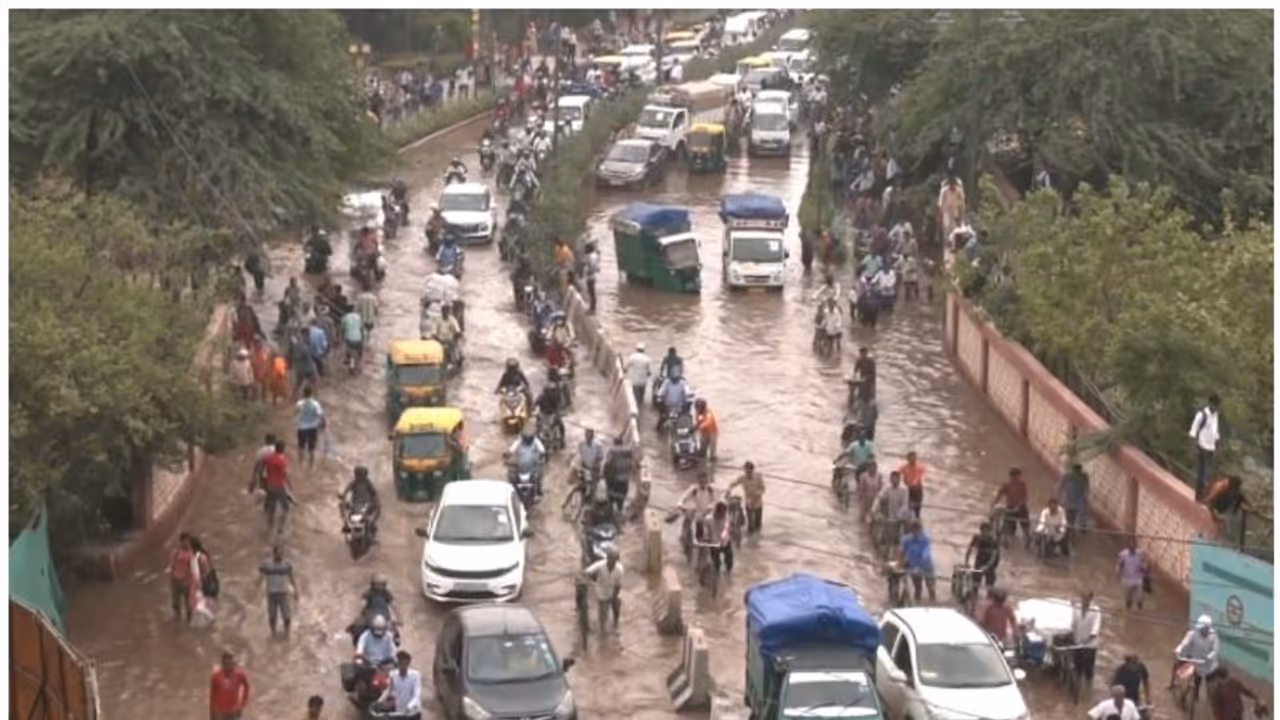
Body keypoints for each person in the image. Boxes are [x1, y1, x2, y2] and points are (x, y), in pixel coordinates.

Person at [1171, 615, 1220, 700]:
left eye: (1204, 628)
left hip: (1209, 665)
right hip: (1197, 663)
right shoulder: (1193, 633)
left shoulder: (1213, 636)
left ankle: (1211, 699)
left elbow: (1215, 650)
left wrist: (1208, 657)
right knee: (1195, 681)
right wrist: (1178, 649)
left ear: (1208, 628)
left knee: (1210, 685)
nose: (1201, 630)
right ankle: (1194, 696)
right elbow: (1185, 643)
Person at [257, 545, 299, 636]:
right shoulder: (267, 565)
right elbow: (260, 578)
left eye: (281, 553)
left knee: (286, 615)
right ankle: (273, 633)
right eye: (278, 553)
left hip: (283, 593)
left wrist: (295, 590)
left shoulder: (287, 565)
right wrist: (255, 589)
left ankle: (287, 633)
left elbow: (291, 578)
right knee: (272, 615)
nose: (280, 555)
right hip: (271, 594)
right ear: (274, 554)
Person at [583, 547, 624, 635]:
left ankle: (615, 625)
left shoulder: (619, 569)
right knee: (603, 613)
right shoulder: (600, 565)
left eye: (613, 559)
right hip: (602, 591)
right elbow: (587, 572)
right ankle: (602, 629)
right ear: (607, 558)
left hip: (613, 591)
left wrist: (614, 597)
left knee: (617, 606)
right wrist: (591, 581)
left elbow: (618, 585)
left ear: (616, 560)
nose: (611, 561)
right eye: (610, 558)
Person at [1189, 394, 1221, 499]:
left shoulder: (1216, 416)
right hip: (1202, 446)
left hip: (1211, 448)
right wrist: (1194, 447)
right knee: (1202, 472)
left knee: (1208, 474)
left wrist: (1217, 447)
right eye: (1214, 405)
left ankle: (1204, 495)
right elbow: (1193, 430)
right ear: (1210, 403)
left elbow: (1215, 432)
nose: (1215, 408)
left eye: (1217, 406)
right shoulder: (1202, 415)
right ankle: (1199, 496)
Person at [1070, 590, 1103, 692]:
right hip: (1077, 642)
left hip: (1090, 645)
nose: (1084, 600)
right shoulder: (1076, 608)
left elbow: (1095, 630)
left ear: (1090, 599)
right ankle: (1077, 688)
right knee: (1077, 667)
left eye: (1086, 598)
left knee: (1088, 669)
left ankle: (1088, 689)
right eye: (1083, 597)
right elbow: (1073, 624)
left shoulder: (1096, 611)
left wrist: (1085, 642)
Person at [257, 440, 292, 533]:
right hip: (279, 486)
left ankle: (269, 527)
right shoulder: (282, 460)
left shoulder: (268, 458)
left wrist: (262, 483)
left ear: (276, 448)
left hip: (269, 486)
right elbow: (286, 475)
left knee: (271, 508)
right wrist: (290, 486)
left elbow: (261, 469)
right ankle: (280, 528)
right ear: (283, 449)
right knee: (286, 508)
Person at [898, 521, 936, 602]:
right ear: (912, 531)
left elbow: (925, 554)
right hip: (913, 566)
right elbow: (902, 552)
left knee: (931, 587)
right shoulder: (906, 540)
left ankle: (933, 602)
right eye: (915, 531)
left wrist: (919, 567)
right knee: (918, 587)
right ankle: (917, 603)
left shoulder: (925, 539)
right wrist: (900, 564)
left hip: (926, 566)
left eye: (919, 531)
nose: (917, 533)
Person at [380, 650, 423, 720]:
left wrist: (410, 706)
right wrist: (381, 700)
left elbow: (416, 694)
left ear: (408, 663)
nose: (402, 666)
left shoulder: (415, 675)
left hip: (413, 712)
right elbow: (389, 689)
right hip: (399, 711)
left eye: (404, 663)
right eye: (400, 663)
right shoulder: (393, 674)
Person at [992, 467, 1031, 542]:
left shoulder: (1022, 484)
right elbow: (999, 494)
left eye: (1019, 476)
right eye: (1017, 477)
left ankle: (1027, 539)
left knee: (1025, 525)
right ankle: (1007, 539)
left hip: (1021, 507)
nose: (1018, 478)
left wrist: (1018, 506)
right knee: (1008, 525)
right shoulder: (1006, 484)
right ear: (1012, 477)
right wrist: (994, 503)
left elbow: (1025, 497)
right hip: (1010, 507)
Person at [507, 426, 548, 497]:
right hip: (520, 465)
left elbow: (542, 449)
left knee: (539, 475)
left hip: (533, 465)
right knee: (511, 476)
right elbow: (512, 448)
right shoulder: (519, 441)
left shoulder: (536, 441)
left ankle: (539, 489)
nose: (527, 440)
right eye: (526, 439)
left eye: (529, 439)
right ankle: (511, 490)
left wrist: (542, 457)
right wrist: (508, 454)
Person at [678, 472, 718, 543]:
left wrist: (709, 508)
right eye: (701, 481)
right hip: (696, 512)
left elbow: (715, 502)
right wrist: (681, 505)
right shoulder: (694, 489)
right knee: (688, 518)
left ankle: (711, 538)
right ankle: (685, 536)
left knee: (710, 520)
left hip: (708, 512)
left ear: (707, 481)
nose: (703, 483)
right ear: (698, 481)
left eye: (705, 481)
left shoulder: (711, 490)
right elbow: (683, 498)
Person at [210, 651, 251, 720]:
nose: (227, 664)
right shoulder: (215, 676)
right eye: (225, 662)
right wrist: (212, 713)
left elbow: (246, 687)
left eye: (230, 661)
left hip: (234, 711)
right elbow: (212, 695)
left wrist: (242, 705)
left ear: (233, 663)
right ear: (222, 663)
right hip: (220, 712)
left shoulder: (239, 674)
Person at [340, 466, 382, 534]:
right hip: (355, 505)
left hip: (366, 505)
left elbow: (374, 493)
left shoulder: (368, 483)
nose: (359, 477)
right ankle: (346, 523)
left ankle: (372, 523)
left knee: (378, 505)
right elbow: (347, 490)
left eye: (361, 474)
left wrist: (375, 500)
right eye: (358, 474)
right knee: (341, 505)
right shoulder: (354, 482)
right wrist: (343, 496)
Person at [727, 461, 765, 535]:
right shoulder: (743, 478)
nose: (747, 473)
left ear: (752, 470)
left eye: (749, 471)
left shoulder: (758, 477)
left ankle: (757, 536)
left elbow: (763, 489)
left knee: (758, 524)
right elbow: (734, 483)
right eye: (746, 471)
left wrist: (757, 494)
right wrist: (729, 489)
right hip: (748, 502)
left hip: (758, 502)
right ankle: (751, 536)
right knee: (750, 524)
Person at [167, 533, 196, 623]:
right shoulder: (176, 552)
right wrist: (171, 579)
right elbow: (172, 566)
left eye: (188, 541)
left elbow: (192, 569)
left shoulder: (191, 554)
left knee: (188, 603)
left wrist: (189, 582)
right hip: (175, 580)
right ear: (181, 541)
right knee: (176, 601)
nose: (187, 543)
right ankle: (177, 618)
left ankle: (189, 621)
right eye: (185, 541)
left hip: (186, 581)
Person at [294, 385, 324, 469]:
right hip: (313, 427)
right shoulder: (316, 404)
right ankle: (311, 466)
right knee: (312, 448)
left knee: (301, 446)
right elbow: (320, 415)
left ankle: (300, 464)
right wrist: (322, 424)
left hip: (301, 427)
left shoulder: (299, 403)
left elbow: (295, 413)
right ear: (311, 393)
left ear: (303, 393)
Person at [964, 520, 1001, 587]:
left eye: (986, 531)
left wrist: (987, 566)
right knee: (975, 583)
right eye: (983, 531)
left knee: (989, 585)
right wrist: (966, 562)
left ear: (989, 531)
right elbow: (970, 549)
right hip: (979, 560)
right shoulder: (977, 538)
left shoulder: (993, 541)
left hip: (990, 563)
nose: (984, 533)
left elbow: (994, 556)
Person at [1116, 538, 1149, 610]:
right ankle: (1128, 611)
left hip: (1138, 579)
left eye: (1133, 547)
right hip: (1127, 579)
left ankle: (1140, 611)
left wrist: (1144, 568)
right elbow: (1119, 565)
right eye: (1131, 547)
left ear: (1135, 547)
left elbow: (1144, 563)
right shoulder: (1123, 555)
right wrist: (1118, 572)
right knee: (1128, 600)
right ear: (1128, 548)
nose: (1132, 549)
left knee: (1140, 598)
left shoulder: (1140, 554)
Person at [1057, 462, 1090, 531]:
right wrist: (1059, 497)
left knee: (1072, 517)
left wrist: (1086, 500)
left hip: (1076, 501)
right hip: (1069, 500)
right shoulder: (1067, 475)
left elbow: (1086, 490)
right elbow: (1060, 487)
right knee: (1069, 516)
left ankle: (1070, 529)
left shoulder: (1083, 476)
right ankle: (1068, 529)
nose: (1076, 473)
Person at [707, 500, 734, 575]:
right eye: (721, 513)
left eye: (724, 513)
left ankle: (728, 575)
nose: (723, 514)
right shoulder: (709, 519)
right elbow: (706, 530)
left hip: (725, 542)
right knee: (716, 565)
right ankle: (716, 576)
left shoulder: (726, 518)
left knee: (729, 563)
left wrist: (723, 536)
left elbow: (726, 528)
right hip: (714, 544)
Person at [898, 451, 925, 519]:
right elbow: (898, 474)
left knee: (917, 509)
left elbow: (918, 477)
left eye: (914, 458)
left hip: (917, 490)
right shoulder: (904, 467)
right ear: (908, 459)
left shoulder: (919, 467)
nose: (912, 460)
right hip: (908, 490)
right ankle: (909, 518)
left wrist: (913, 483)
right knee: (908, 507)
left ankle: (917, 518)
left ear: (916, 459)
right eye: (910, 459)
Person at [625, 342, 652, 407]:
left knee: (635, 396)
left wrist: (625, 371)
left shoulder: (632, 357)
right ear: (643, 350)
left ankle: (635, 407)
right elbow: (649, 372)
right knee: (641, 397)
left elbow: (626, 367)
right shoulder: (647, 359)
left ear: (636, 349)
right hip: (643, 381)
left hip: (634, 380)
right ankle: (640, 406)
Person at [341, 306, 366, 371]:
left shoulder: (344, 318)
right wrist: (363, 338)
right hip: (358, 337)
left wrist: (342, 338)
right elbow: (362, 328)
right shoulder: (358, 317)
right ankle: (358, 367)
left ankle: (351, 365)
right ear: (353, 310)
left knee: (350, 352)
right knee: (359, 353)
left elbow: (342, 329)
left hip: (349, 338)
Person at [582, 240, 601, 312]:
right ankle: (592, 308)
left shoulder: (590, 257)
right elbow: (597, 267)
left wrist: (588, 271)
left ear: (588, 249)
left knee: (591, 293)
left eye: (585, 248)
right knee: (592, 293)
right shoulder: (593, 255)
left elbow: (592, 266)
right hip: (592, 276)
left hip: (590, 277)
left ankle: (592, 308)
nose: (584, 250)